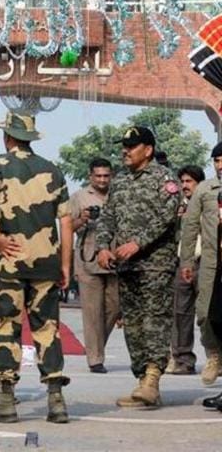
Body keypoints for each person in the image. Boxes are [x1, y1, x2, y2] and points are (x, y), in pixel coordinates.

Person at [0, 112, 71, 424]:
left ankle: (5, 401)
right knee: (47, 329)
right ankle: (56, 400)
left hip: (8, 265)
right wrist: (65, 264)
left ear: (8, 137)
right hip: (47, 263)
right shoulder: (53, 171)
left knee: (3, 327)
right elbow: (66, 221)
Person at [96, 126, 180, 408]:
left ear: (148, 150)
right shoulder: (119, 181)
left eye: (132, 146)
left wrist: (138, 243)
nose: (125, 151)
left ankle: (153, 378)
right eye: (124, 146)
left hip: (156, 264)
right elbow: (107, 217)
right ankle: (142, 380)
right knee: (132, 324)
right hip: (127, 267)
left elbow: (167, 215)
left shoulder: (164, 178)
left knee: (154, 321)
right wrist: (103, 246)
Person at [69, 158, 119, 374]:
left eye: (106, 175)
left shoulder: (119, 196)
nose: (102, 180)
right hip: (88, 258)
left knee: (114, 308)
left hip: (115, 259)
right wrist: (82, 218)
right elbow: (67, 226)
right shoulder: (79, 197)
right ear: (90, 176)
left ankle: (97, 346)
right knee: (92, 312)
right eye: (98, 176)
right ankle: (95, 358)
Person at [181, 145, 222, 401]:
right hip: (210, 262)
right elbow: (190, 225)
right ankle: (214, 355)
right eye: (216, 160)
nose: (220, 165)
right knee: (205, 313)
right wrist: (186, 260)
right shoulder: (205, 190)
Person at [166, 165, 205, 375]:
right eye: (182, 182)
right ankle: (182, 359)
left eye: (189, 181)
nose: (184, 186)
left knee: (208, 313)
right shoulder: (178, 206)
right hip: (183, 264)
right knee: (180, 313)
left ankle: (216, 358)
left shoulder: (208, 203)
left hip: (205, 261)